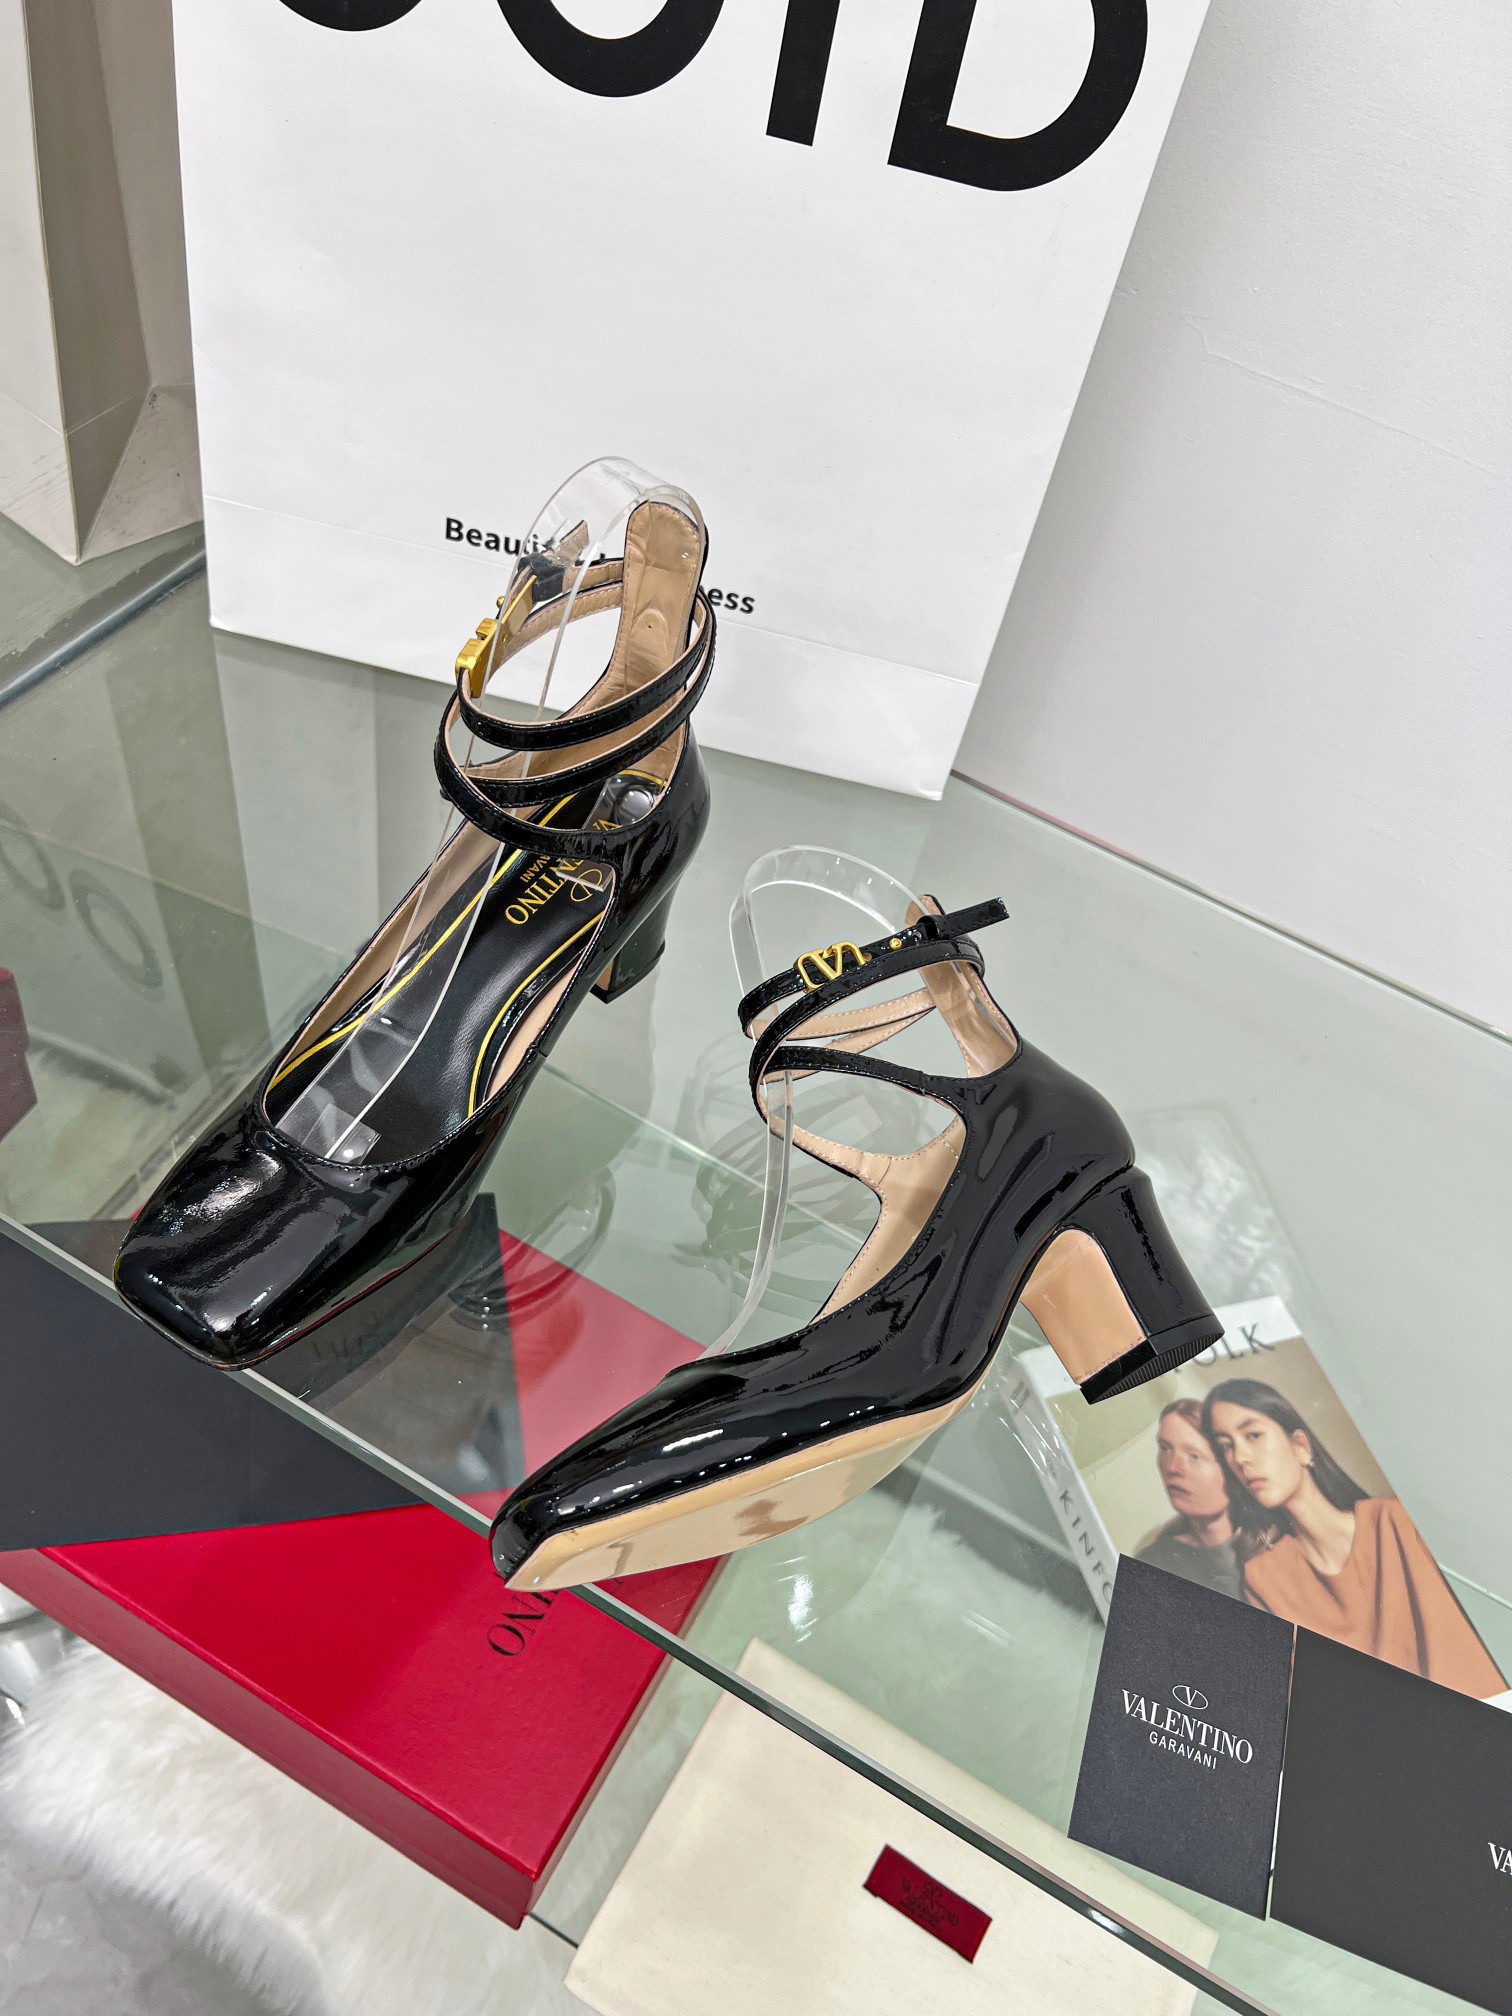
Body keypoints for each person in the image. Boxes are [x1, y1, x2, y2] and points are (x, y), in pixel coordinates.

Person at [1203, 1378, 1505, 1698]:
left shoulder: (1397, 1522)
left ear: (1301, 1446)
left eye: (1253, 1435)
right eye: (1226, 1446)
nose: (1240, 1458)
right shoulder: (1265, 1577)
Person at [1135, 1399, 1247, 1599]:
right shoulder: (1157, 1561)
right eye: (1165, 1448)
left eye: (1194, 1456)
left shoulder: (1280, 1551)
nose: (1173, 1468)